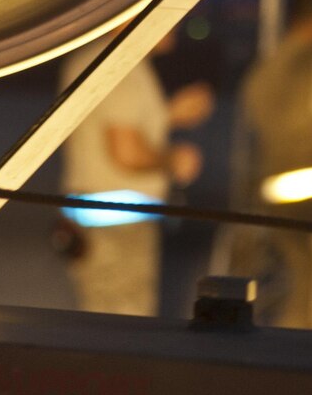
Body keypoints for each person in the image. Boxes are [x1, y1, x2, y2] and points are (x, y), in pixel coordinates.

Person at [59, 24, 215, 316]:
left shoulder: (97, 59)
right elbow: (126, 152)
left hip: (94, 221)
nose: (176, 21)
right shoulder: (120, 66)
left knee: (103, 323)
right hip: (117, 227)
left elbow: (114, 130)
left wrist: (168, 115)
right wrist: (174, 160)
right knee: (125, 328)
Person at [226, 0, 312, 327]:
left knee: (275, 275)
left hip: (269, 184)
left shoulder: (263, 71)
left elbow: (253, 122)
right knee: (308, 278)